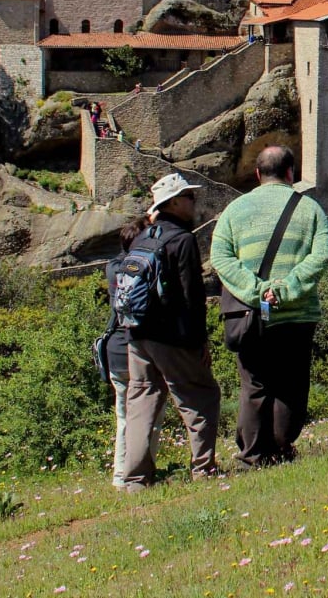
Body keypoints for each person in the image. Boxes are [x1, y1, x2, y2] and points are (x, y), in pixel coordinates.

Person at [211, 147, 328, 467]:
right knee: (291, 385)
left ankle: (251, 455)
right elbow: (321, 257)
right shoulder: (311, 210)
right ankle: (279, 447)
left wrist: (256, 291)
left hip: (250, 315)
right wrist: (285, 289)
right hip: (297, 314)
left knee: (254, 386)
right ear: (291, 172)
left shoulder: (234, 210)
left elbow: (220, 258)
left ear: (257, 174)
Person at [122, 173, 221, 490]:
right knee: (199, 395)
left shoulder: (144, 237)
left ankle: (136, 478)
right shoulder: (182, 239)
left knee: (141, 402)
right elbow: (192, 295)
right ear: (174, 203)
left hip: (137, 334)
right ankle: (203, 468)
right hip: (171, 335)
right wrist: (199, 340)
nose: (194, 202)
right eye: (188, 197)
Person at [104, 214, 160, 488]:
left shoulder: (113, 267)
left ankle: (119, 477)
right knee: (150, 417)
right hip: (141, 349)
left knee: (125, 418)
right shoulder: (147, 268)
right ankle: (142, 473)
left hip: (116, 350)